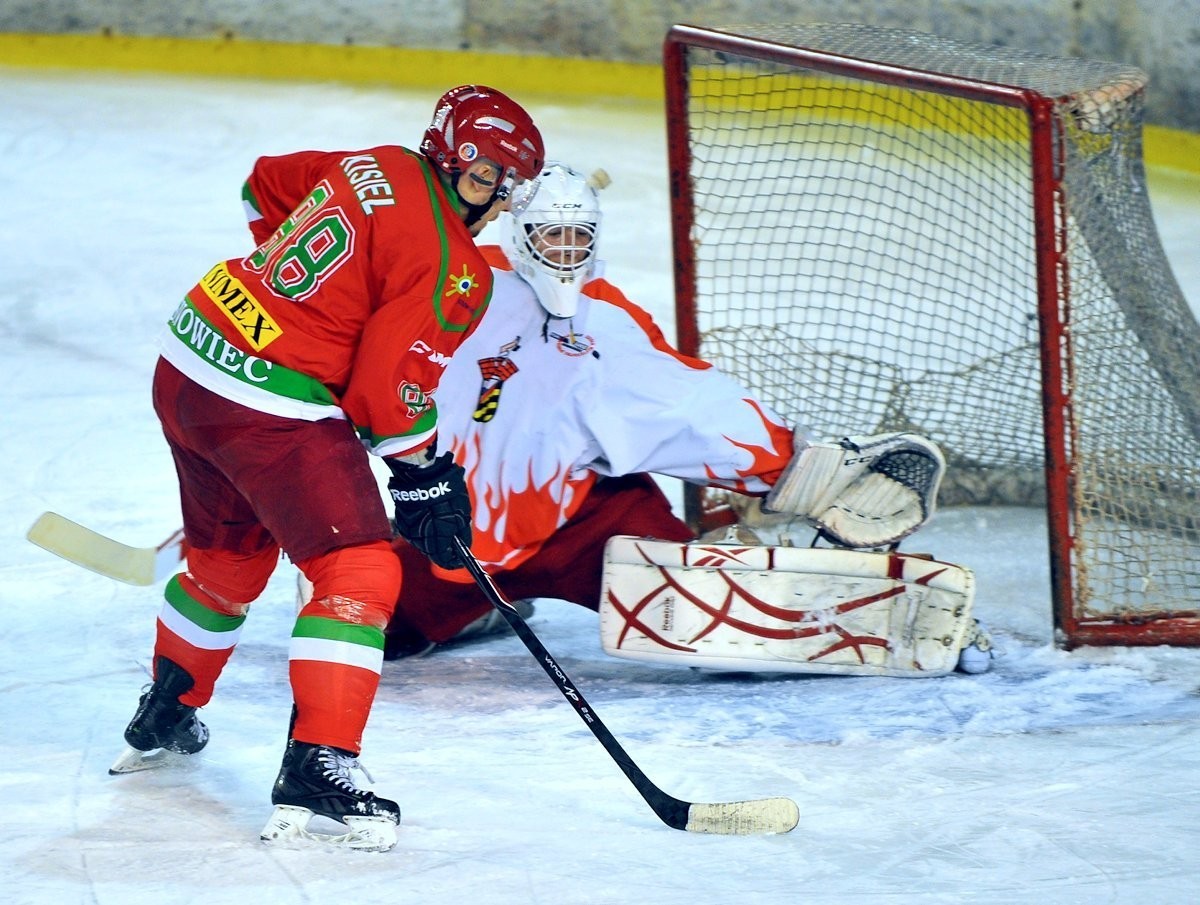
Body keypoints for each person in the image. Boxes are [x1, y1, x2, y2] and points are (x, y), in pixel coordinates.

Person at [112, 85, 545, 851]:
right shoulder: (457, 269)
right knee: (359, 569)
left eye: (506, 186)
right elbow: (385, 395)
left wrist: (296, 299)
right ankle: (321, 763)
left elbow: (262, 185)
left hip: (190, 359)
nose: (496, 200)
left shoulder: (377, 163)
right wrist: (425, 475)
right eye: (486, 178)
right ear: (450, 162)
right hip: (265, 403)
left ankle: (167, 707)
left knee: (228, 559)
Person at [366, 163, 988, 675]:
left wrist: (800, 473)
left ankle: (897, 614)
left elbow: (686, 403)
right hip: (452, 535)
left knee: (720, 613)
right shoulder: (451, 284)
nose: (564, 252)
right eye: (551, 236)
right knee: (369, 629)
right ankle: (480, 609)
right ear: (520, 232)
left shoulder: (605, 320)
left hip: (589, 524)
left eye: (577, 237)